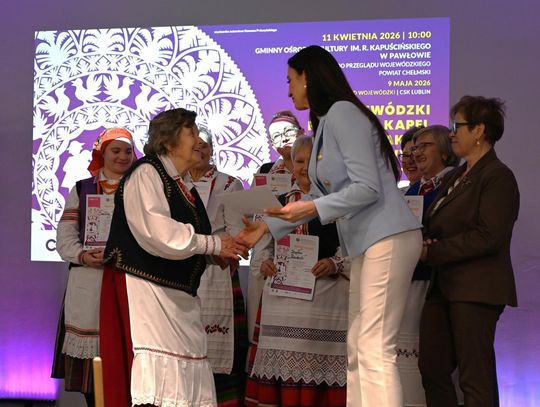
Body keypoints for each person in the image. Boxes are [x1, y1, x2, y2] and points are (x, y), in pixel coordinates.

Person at [237, 45, 422, 407]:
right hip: (368, 242)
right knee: (357, 344)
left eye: (291, 80)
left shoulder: (343, 113)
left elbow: (367, 188)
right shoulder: (325, 123)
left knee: (374, 346)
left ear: (308, 77)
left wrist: (310, 206)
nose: (288, 91)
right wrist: (266, 228)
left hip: (387, 236)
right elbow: (319, 196)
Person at [99, 108, 248, 407]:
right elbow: (159, 233)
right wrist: (213, 245)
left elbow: (188, 239)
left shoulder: (181, 183)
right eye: (191, 133)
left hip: (175, 293)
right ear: (169, 142)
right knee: (160, 380)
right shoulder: (147, 173)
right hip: (147, 290)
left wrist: (215, 255)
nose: (199, 141)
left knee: (186, 370)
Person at [418, 96, 520, 407]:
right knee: (432, 368)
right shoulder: (454, 175)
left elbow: (489, 237)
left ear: (479, 130)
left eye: (458, 126)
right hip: (443, 285)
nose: (452, 133)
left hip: (476, 289)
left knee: (474, 378)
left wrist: (435, 251)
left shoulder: (498, 176)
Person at [245, 136, 350, 407]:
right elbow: (263, 248)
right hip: (282, 307)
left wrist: (335, 263)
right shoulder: (277, 203)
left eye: (312, 161)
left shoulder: (339, 202)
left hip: (324, 301)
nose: (304, 167)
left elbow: (354, 246)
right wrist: (265, 263)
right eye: (299, 161)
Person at [52, 128, 136, 406]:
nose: (122, 156)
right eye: (116, 150)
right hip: (89, 282)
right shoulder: (81, 189)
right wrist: (83, 255)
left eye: (128, 151)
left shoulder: (141, 190)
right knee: (92, 377)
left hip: (128, 281)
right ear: (102, 153)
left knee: (127, 364)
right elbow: (65, 237)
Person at [185, 125, 249, 406]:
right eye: (195, 144)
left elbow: (237, 233)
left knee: (218, 354)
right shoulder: (175, 183)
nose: (200, 149)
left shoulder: (229, 183)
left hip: (216, 272)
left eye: (205, 145)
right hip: (182, 271)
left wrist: (219, 248)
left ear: (212, 150)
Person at [396, 125, 459, 406]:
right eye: (413, 149)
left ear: (445, 151)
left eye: (424, 147)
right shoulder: (411, 190)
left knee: (436, 361)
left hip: (439, 282)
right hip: (409, 282)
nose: (416, 154)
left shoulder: (455, 184)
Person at [247, 110, 305, 351]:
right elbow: (256, 218)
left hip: (307, 260)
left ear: (301, 132)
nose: (283, 139)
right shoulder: (266, 172)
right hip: (271, 258)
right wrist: (263, 259)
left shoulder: (318, 170)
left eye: (288, 132)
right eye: (276, 136)